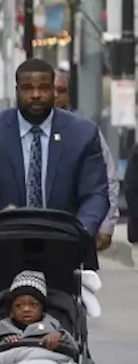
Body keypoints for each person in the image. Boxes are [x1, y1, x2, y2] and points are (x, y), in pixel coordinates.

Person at [0, 58, 109, 269]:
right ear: (17, 90)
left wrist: (81, 231)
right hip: (3, 251)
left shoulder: (82, 134)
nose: (36, 95)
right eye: (28, 88)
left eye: (44, 88)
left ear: (54, 90)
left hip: (66, 253)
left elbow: (96, 193)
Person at [54, 70, 118, 254]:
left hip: (76, 231)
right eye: (53, 90)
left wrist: (107, 225)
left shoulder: (85, 132)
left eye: (62, 90)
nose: (57, 96)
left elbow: (108, 178)